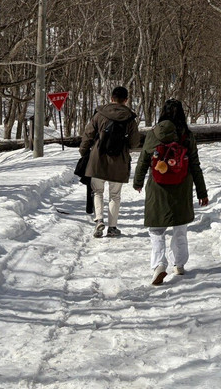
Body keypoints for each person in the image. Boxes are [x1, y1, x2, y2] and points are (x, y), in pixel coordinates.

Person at [133, 98, 209, 285]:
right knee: (180, 228)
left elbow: (143, 160)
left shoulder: (153, 134)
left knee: (156, 229)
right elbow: (195, 165)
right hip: (181, 187)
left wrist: (138, 181)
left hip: (158, 188)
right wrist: (202, 192)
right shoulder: (187, 136)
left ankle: (159, 265)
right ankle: (179, 264)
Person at [80, 86, 141, 239]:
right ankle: (112, 227)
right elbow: (134, 143)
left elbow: (88, 135)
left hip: (97, 159)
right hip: (119, 162)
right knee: (115, 195)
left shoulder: (99, 114)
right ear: (126, 100)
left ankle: (99, 220)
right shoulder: (130, 118)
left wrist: (84, 152)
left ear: (111, 98)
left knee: (98, 192)